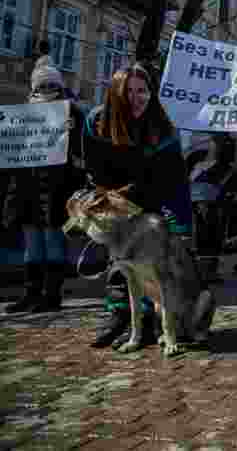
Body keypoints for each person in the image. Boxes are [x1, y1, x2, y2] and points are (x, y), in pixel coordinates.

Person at [84, 63, 191, 348]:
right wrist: (102, 197)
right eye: (128, 91)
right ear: (116, 94)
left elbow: (176, 179)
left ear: (151, 93)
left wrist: (181, 223)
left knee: (149, 264)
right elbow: (93, 167)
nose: (136, 97)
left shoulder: (163, 127)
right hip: (114, 200)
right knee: (120, 262)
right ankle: (120, 317)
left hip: (150, 200)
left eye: (142, 90)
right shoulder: (97, 122)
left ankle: (155, 322)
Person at [3, 56, 85, 314]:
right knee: (32, 243)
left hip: (56, 187)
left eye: (52, 85)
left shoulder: (72, 111)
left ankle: (51, 295)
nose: (47, 90)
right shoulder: (24, 112)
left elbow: (80, 152)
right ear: (34, 87)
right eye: (42, 85)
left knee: (52, 240)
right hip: (28, 185)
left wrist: (70, 132)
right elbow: (14, 152)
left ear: (59, 86)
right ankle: (30, 293)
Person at [189, 133, 237, 284]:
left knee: (209, 239)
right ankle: (206, 273)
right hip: (206, 204)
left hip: (205, 203)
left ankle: (206, 273)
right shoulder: (211, 165)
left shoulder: (199, 163)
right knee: (208, 239)